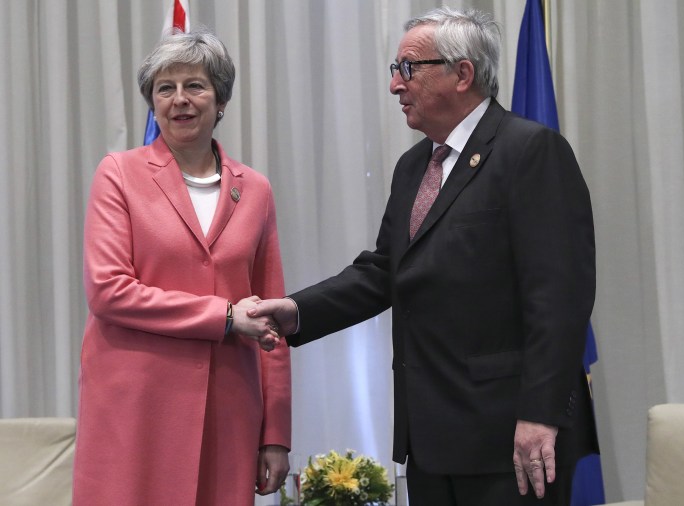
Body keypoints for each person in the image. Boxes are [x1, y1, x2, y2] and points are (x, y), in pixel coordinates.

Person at [251, 6, 597, 506]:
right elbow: (385, 272)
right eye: (396, 70)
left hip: (511, 436)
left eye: (408, 68)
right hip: (432, 438)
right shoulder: (415, 166)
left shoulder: (530, 151)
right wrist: (297, 311)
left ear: (463, 74)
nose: (396, 85)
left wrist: (539, 414)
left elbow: (559, 298)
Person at [73, 28, 290, 506]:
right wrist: (226, 316)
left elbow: (274, 319)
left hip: (228, 410)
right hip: (135, 409)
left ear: (220, 99)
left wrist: (275, 432)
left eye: (195, 86)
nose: (179, 100)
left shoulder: (255, 189)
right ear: (152, 103)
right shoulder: (119, 173)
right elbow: (108, 291)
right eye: (164, 89)